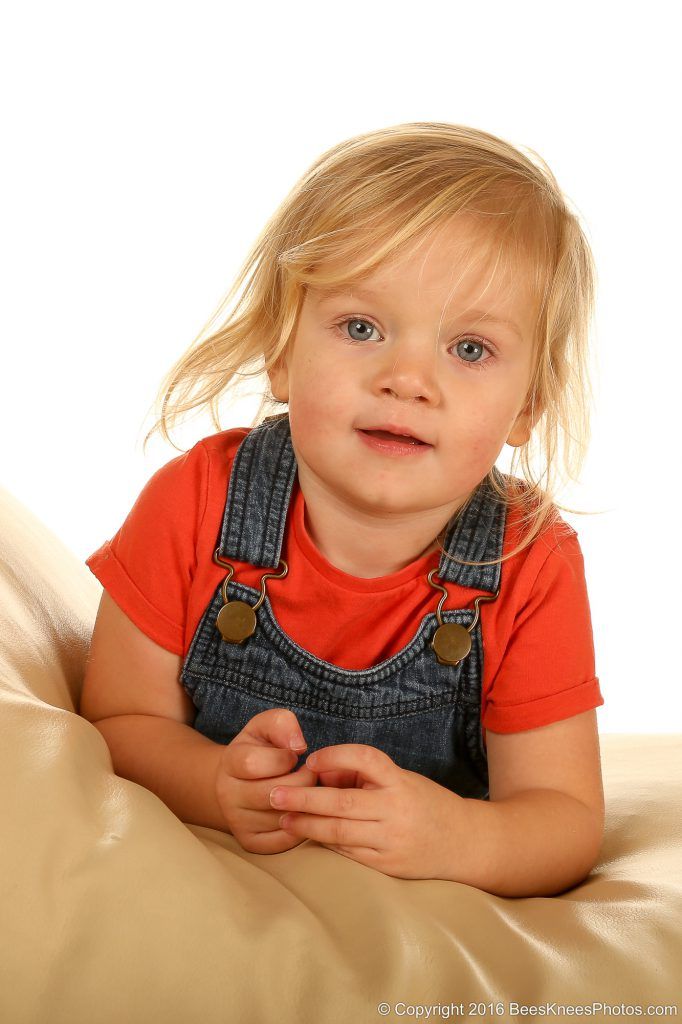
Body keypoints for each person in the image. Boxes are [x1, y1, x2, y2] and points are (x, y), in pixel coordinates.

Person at [80, 121, 605, 897]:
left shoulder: (529, 562)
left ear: (528, 405)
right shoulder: (197, 502)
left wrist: (457, 835)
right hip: (226, 901)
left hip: (416, 927)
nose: (407, 379)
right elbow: (118, 727)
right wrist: (215, 784)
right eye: (362, 328)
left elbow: (562, 820)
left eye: (469, 349)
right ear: (284, 350)